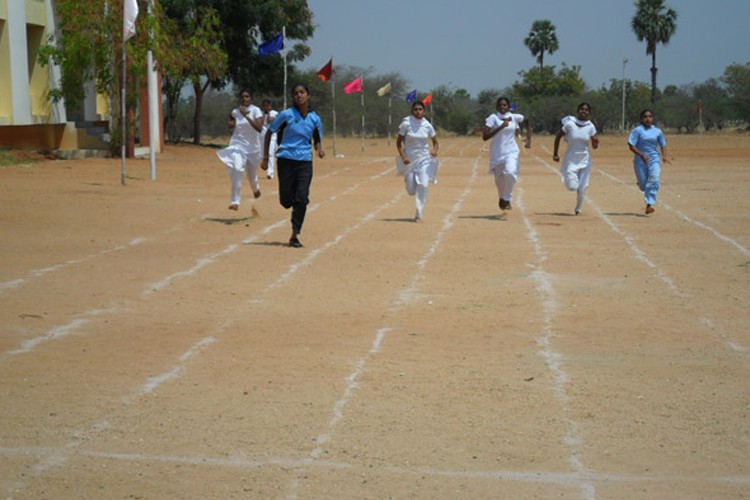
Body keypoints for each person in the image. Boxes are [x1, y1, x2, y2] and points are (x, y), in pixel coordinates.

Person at [261, 83, 325, 248]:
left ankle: (295, 234)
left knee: (302, 199)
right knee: (286, 200)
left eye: (302, 92)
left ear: (308, 95)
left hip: (304, 161)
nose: (299, 95)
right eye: (296, 93)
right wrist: (265, 157)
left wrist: (319, 149)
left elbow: (317, 139)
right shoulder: (286, 115)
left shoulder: (315, 118)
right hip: (286, 159)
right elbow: (269, 132)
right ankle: (289, 202)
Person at [216, 90, 264, 211]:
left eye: (247, 96)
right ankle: (235, 201)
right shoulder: (236, 111)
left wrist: (246, 115)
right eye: (242, 97)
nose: (244, 99)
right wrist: (231, 122)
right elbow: (230, 120)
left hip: (253, 149)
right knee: (237, 170)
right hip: (238, 146)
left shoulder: (255, 110)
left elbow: (259, 128)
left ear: (251, 99)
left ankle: (255, 188)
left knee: (251, 176)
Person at [482, 97, 531, 211]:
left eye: (504, 105)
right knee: (500, 182)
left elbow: (527, 121)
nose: (502, 107)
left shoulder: (514, 117)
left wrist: (529, 139)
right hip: (497, 154)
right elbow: (485, 136)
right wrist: (500, 127)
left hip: (511, 152)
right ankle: (502, 197)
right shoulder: (493, 118)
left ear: (509, 107)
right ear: (496, 107)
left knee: (510, 172)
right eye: (500, 105)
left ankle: (507, 197)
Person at [396, 100, 439, 222]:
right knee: (411, 190)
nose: (418, 112)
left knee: (423, 184)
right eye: (416, 109)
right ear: (412, 111)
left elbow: (435, 142)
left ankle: (418, 213)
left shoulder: (427, 125)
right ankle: (417, 191)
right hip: (409, 160)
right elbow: (398, 142)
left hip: (424, 158)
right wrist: (403, 156)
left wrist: (435, 151)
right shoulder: (406, 124)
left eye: (420, 109)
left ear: (424, 111)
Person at [553, 102, 599, 215]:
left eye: (586, 110)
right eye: (582, 109)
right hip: (571, 158)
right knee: (573, 186)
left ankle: (578, 208)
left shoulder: (590, 126)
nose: (584, 111)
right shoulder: (570, 124)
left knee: (583, 186)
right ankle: (569, 180)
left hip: (585, 158)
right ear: (577, 111)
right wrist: (555, 153)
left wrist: (595, 142)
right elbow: (558, 137)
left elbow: (594, 145)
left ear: (589, 113)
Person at [628, 109, 671, 215]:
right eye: (645, 117)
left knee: (654, 180)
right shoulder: (637, 131)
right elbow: (631, 145)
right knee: (644, 186)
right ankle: (641, 183)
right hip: (640, 160)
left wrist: (664, 156)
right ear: (641, 119)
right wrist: (641, 155)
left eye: (650, 116)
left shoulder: (657, 131)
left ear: (653, 118)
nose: (648, 119)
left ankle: (649, 204)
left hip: (654, 159)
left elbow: (663, 144)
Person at [260, 99, 278, 180]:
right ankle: (265, 166)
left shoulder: (274, 113)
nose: (266, 107)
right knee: (262, 153)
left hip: (272, 136)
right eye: (264, 106)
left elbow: (270, 120)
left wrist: (267, 114)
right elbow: (260, 122)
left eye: (267, 106)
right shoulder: (261, 113)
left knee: (270, 153)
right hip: (262, 135)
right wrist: (264, 114)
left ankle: (270, 173)